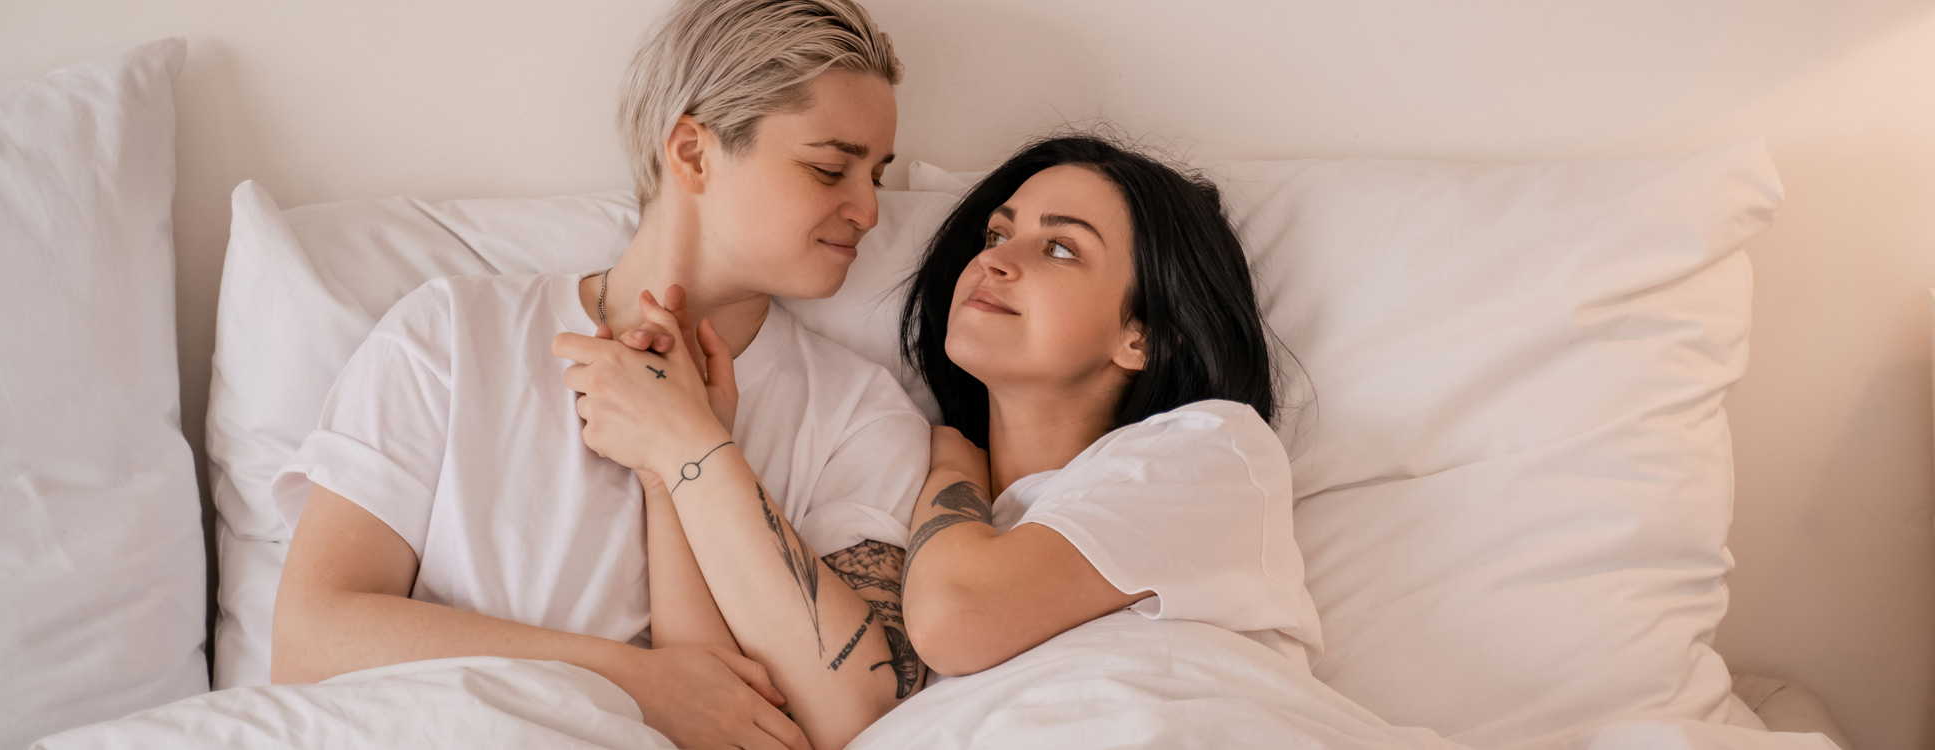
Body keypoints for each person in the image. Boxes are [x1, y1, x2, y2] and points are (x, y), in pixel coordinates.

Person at [267, 1, 928, 748]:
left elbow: (858, 714)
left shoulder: (862, 414)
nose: (870, 210)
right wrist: (637, 684)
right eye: (830, 168)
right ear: (692, 153)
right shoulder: (453, 335)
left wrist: (687, 448)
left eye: (877, 174)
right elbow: (309, 640)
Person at [891, 135, 1323, 680]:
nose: (993, 259)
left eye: (1060, 247)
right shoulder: (892, 477)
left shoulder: (1213, 452)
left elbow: (955, 619)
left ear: (1143, 337)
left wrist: (955, 468)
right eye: (997, 233)